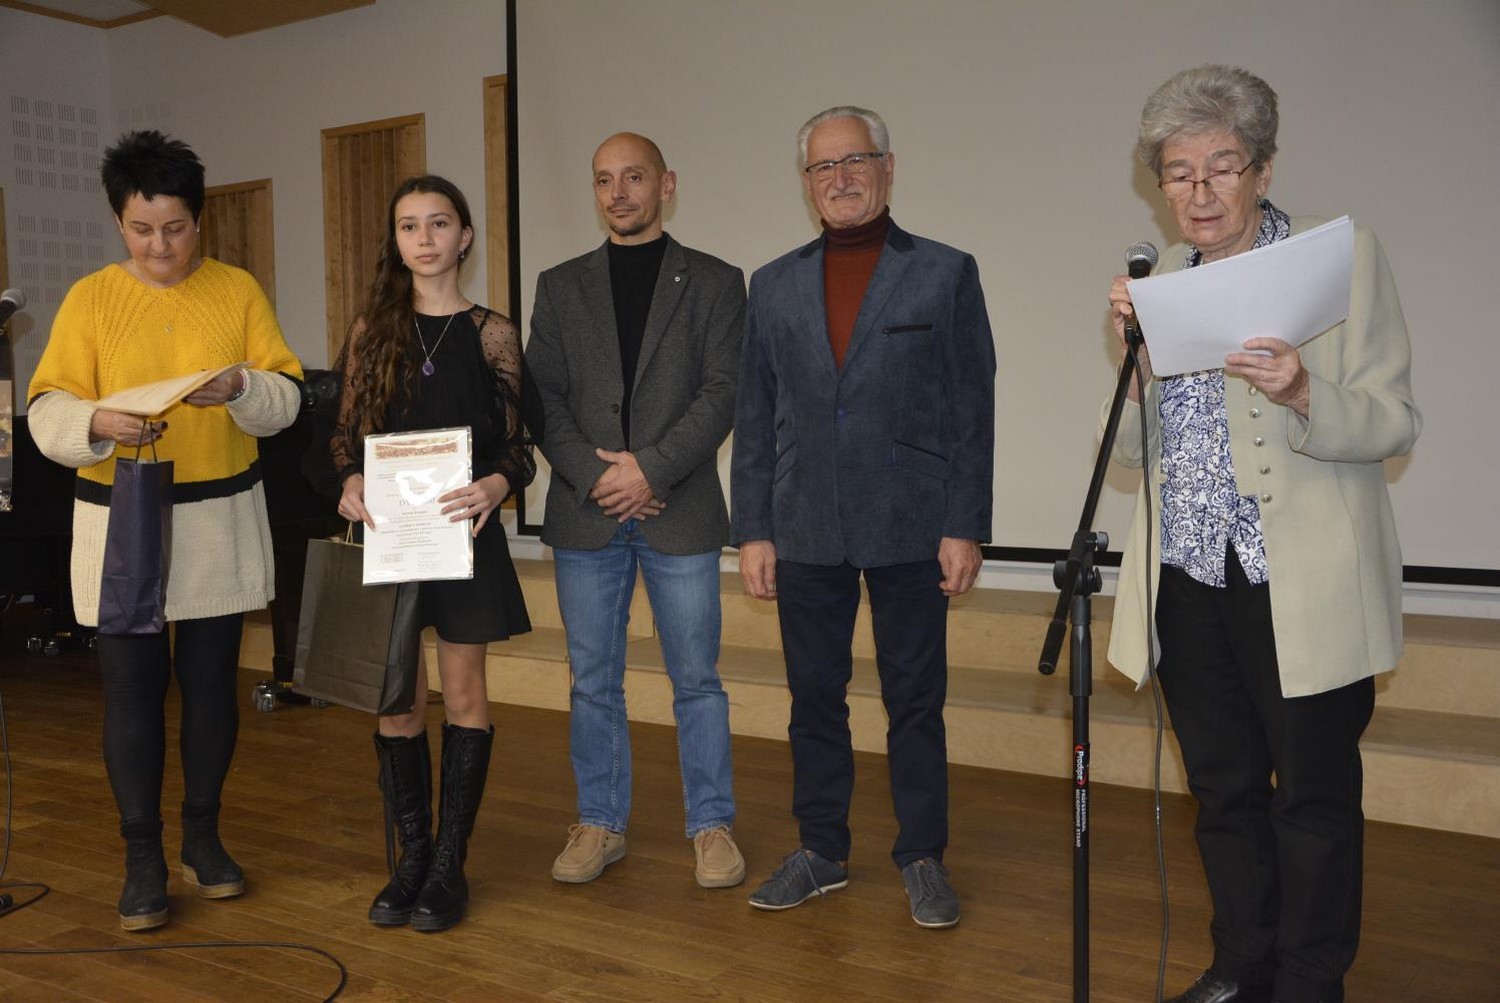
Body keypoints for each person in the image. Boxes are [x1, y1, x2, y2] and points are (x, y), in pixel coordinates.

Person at [1105, 66, 1420, 1003]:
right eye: (1178, 173)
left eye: (1222, 167)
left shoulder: (1341, 257)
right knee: (1223, 789)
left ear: (1264, 170)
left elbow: (1395, 419)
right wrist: (1136, 371)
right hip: (1188, 575)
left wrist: (1304, 390)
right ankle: (1242, 963)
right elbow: (1129, 451)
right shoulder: (1160, 281)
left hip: (1302, 580)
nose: (1198, 192)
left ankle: (1310, 980)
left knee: (1313, 798)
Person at [27, 130, 303, 931]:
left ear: (198, 220)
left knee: (212, 683)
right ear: (119, 221)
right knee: (132, 689)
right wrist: (98, 422)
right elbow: (46, 409)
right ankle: (142, 855)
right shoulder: (89, 298)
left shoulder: (237, 290)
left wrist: (242, 387)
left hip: (218, 511)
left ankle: (203, 839)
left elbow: (287, 398)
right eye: (142, 229)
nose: (159, 246)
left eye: (175, 228)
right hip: (121, 519)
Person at [731, 106, 995, 929]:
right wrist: (754, 529)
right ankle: (821, 850)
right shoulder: (772, 284)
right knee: (814, 698)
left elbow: (972, 408)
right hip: (804, 524)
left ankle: (922, 855)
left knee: (915, 700)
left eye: (856, 160)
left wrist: (965, 523)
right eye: (823, 166)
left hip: (913, 522)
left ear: (887, 166)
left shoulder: (945, 272)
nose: (840, 178)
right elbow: (754, 412)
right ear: (806, 181)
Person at [527, 132, 746, 888]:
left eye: (633, 177)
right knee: (592, 680)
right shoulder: (560, 286)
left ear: (666, 184)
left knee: (697, 681)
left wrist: (648, 469)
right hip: (586, 513)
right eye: (603, 180)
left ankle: (712, 826)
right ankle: (599, 822)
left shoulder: (716, 281)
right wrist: (600, 476)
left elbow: (723, 392)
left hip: (677, 509)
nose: (618, 192)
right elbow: (542, 398)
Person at [332, 175, 534, 933]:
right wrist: (351, 480)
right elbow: (342, 437)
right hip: (391, 537)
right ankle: (411, 857)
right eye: (409, 225)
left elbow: (520, 448)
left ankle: (450, 863)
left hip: (464, 535)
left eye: (439, 222)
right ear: (397, 240)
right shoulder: (371, 331)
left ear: (465, 236)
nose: (424, 237)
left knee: (465, 692)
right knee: (398, 699)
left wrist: (496, 484)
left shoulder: (492, 333)